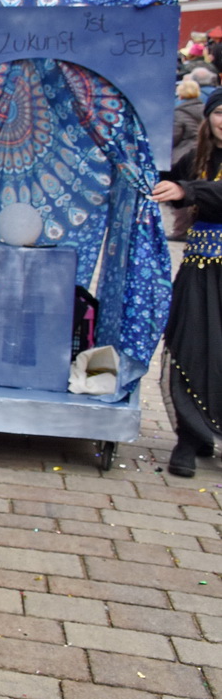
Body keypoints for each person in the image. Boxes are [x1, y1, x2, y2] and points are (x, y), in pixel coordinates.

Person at [152, 90, 222, 478]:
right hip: (198, 266)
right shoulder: (197, 158)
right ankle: (189, 437)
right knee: (188, 343)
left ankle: (208, 429)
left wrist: (188, 190)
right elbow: (170, 180)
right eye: (220, 113)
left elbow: (196, 191)